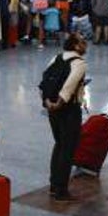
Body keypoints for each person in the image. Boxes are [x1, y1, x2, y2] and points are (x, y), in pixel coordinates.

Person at [42, 34, 87, 202]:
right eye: (83, 42)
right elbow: (70, 84)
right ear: (76, 46)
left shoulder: (57, 57)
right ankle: (61, 190)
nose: (85, 45)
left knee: (59, 144)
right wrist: (60, 102)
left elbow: (45, 80)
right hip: (69, 109)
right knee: (68, 149)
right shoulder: (79, 63)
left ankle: (54, 184)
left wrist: (48, 101)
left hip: (52, 108)